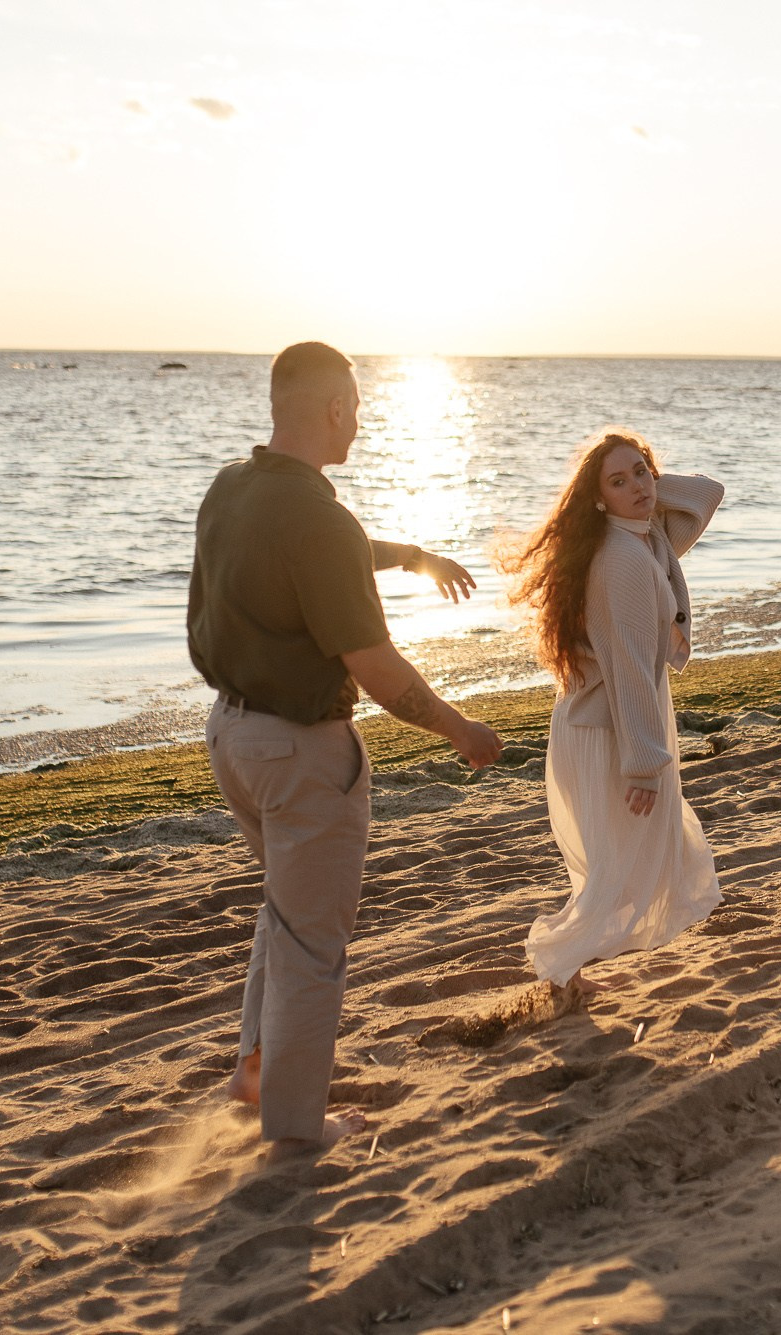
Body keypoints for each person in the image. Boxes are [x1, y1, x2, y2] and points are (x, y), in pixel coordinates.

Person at [187, 340, 501, 1162]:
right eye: (355, 407)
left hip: (230, 736)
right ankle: (294, 1125)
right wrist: (461, 730)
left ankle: (255, 1075)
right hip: (300, 753)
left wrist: (408, 556)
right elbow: (378, 669)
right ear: (333, 408)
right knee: (313, 942)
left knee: (285, 917)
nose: (360, 421)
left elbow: (307, 560)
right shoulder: (319, 518)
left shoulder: (233, 490)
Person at [502, 429, 723, 1000]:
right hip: (607, 730)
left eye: (642, 473)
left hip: (608, 720)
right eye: (618, 482)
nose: (639, 488)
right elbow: (625, 664)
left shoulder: (648, 538)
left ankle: (566, 975)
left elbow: (707, 492)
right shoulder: (622, 557)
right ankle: (559, 966)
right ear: (597, 500)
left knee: (620, 861)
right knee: (618, 865)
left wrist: (630, 485)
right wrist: (644, 763)